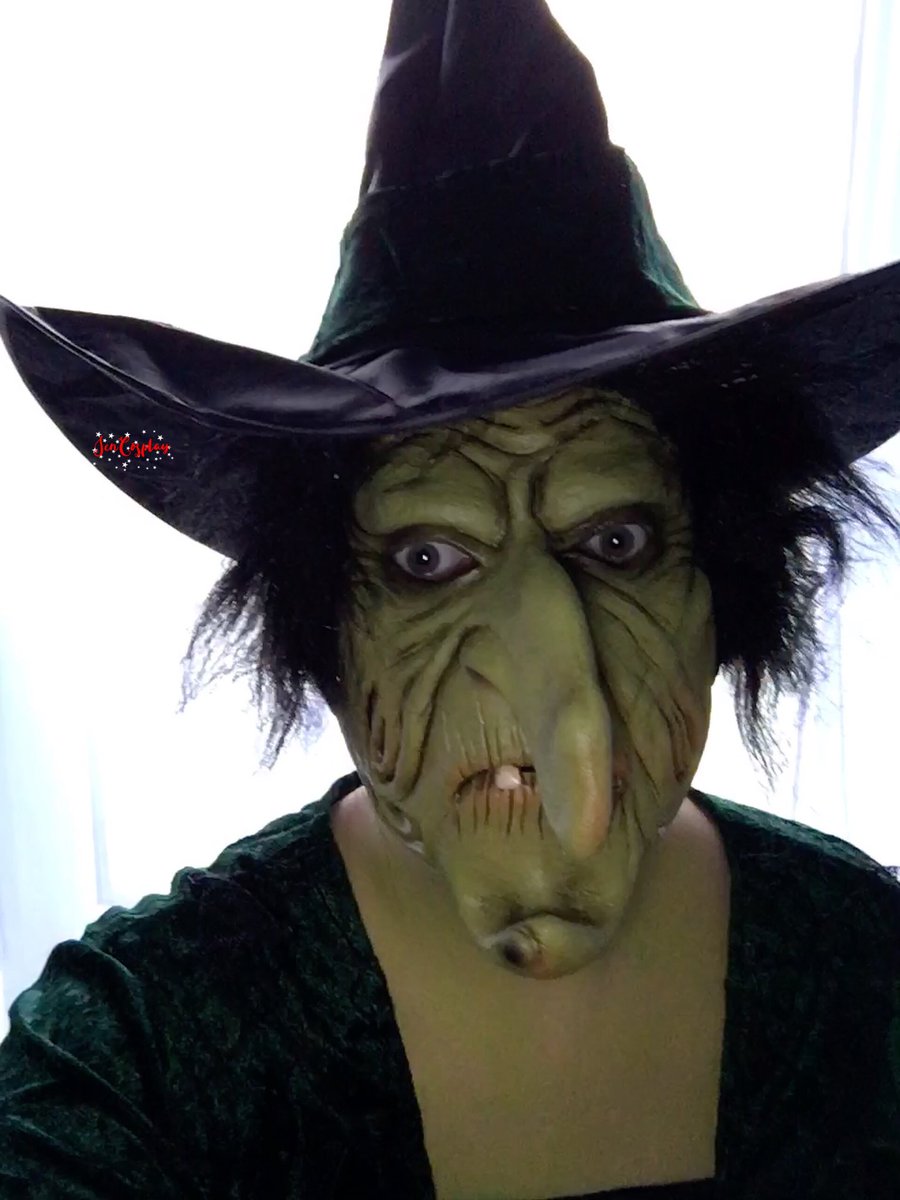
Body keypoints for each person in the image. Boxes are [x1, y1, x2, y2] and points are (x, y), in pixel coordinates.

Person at [1, 1, 900, 1196]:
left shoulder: (873, 971)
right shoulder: (140, 1051)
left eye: (618, 540)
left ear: (722, 593)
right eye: (427, 560)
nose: (551, 672)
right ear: (327, 630)